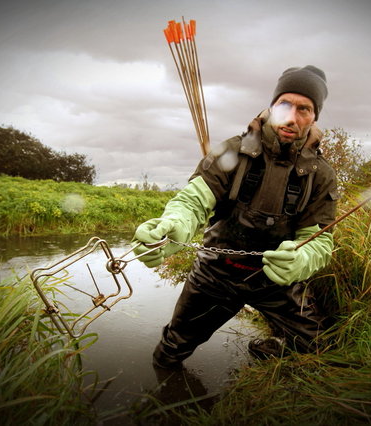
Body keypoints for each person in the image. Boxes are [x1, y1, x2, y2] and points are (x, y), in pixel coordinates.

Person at [133, 65, 339, 369]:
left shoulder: (321, 175)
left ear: (315, 116)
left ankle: (271, 348)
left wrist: (302, 260)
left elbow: (319, 242)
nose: (292, 117)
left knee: (320, 345)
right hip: (216, 275)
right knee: (171, 352)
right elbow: (193, 201)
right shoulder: (232, 151)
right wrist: (175, 224)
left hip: (276, 283)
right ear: (271, 106)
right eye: (285, 104)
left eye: (304, 109)